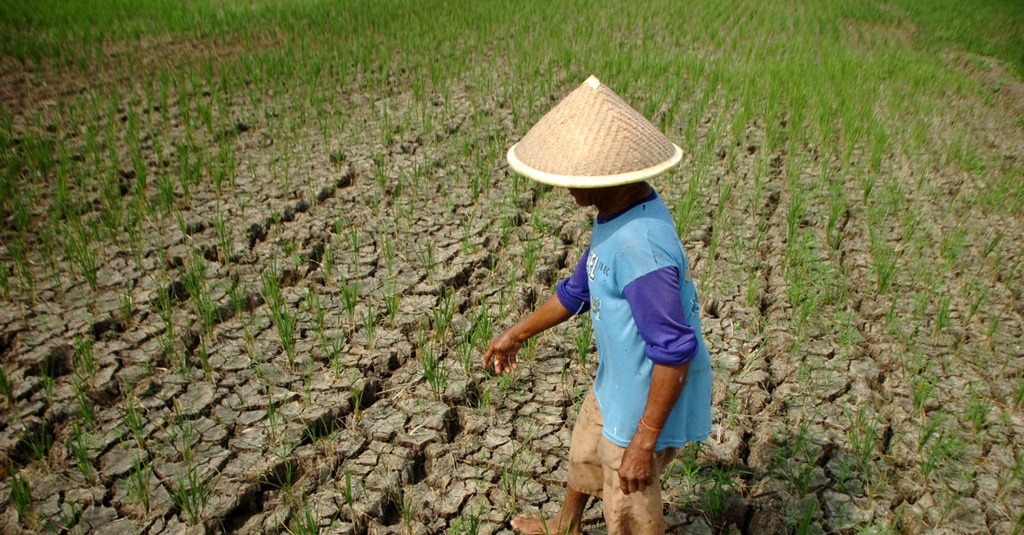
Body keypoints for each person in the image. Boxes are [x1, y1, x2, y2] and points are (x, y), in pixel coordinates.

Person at [483, 76, 713, 535]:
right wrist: (517, 333)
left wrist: (644, 440)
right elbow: (578, 289)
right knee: (586, 451)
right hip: (617, 385)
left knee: (629, 501)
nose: (565, 186)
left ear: (607, 178)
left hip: (645, 401)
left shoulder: (640, 250)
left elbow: (674, 350)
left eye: (574, 175)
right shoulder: (619, 213)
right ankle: (564, 527)